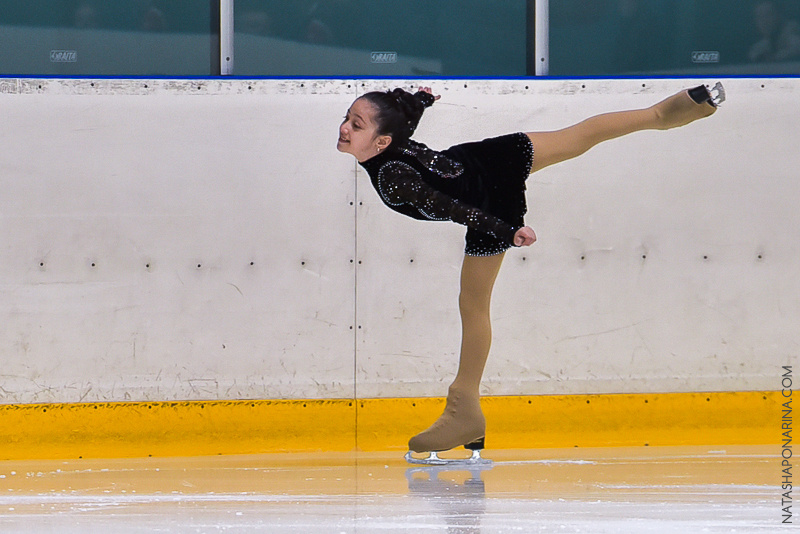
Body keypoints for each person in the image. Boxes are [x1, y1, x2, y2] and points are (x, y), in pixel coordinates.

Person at [336, 84, 722, 459]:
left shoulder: (391, 179)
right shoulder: (391, 143)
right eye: (348, 120)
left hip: (488, 205)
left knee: (473, 306)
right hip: (490, 158)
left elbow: (448, 206)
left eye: (356, 124)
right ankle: (669, 111)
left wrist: (507, 230)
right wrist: (419, 102)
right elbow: (403, 123)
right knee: (580, 135)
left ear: (381, 142)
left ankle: (464, 410)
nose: (345, 128)